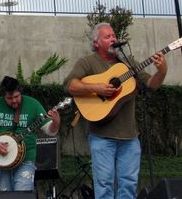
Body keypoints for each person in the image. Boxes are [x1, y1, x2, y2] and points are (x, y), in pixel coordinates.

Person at [64, 22, 167, 199]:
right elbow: (69, 85)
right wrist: (97, 88)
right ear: (96, 43)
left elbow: (151, 84)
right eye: (108, 37)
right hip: (102, 137)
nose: (113, 39)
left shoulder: (128, 63)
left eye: (114, 36)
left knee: (128, 185)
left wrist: (162, 71)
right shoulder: (88, 62)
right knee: (104, 186)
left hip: (130, 137)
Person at [0, 76, 60, 191]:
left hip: (26, 159)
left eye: (16, 96)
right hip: (1, 160)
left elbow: (50, 131)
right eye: (10, 98)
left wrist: (56, 122)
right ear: (3, 96)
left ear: (20, 92)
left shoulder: (33, 104)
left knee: (22, 192)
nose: (14, 100)